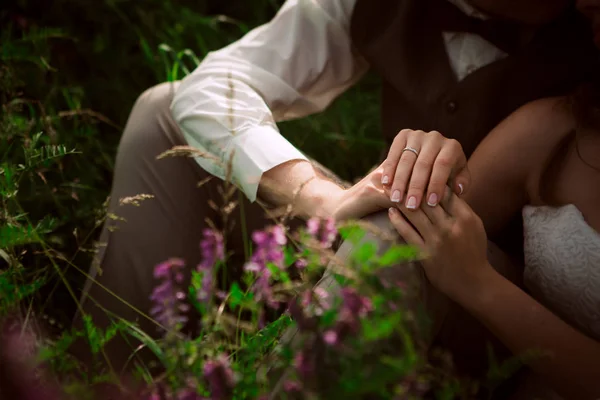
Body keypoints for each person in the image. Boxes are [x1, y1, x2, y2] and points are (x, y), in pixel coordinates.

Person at [73, 0, 595, 377]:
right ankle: (105, 381)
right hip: (391, 241)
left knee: (405, 228)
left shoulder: (588, 28)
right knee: (164, 113)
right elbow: (214, 87)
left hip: (502, 320)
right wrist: (323, 199)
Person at [387, 1, 600, 398]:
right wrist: (414, 171)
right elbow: (416, 222)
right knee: (403, 227)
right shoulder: (555, 130)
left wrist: (481, 286)